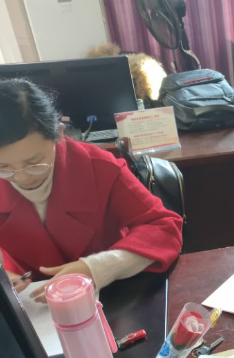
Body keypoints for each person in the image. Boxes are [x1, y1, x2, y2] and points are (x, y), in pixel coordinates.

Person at [0, 79, 183, 300]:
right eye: (4, 167)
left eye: (34, 163)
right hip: (31, 302)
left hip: (111, 294)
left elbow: (164, 227)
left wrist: (98, 267)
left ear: (58, 134)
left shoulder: (99, 168)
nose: (21, 178)